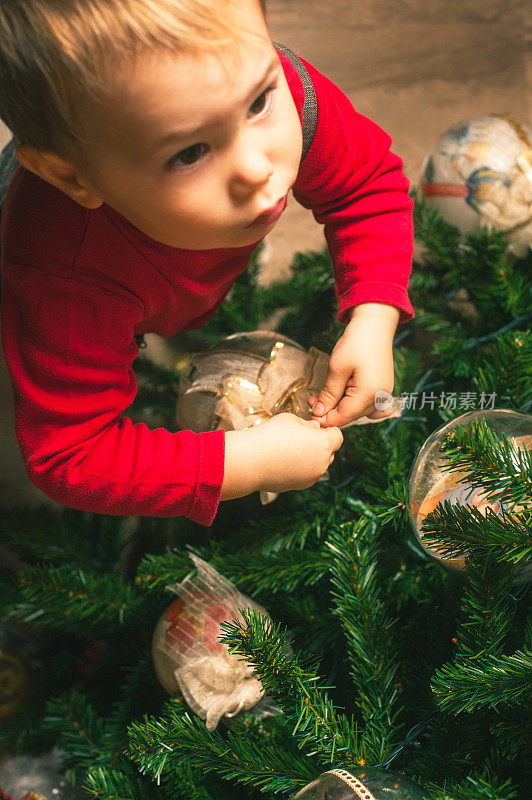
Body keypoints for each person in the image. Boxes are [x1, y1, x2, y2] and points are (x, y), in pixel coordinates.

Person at [0, 0, 413, 525]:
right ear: (75, 178)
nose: (257, 168)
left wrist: (375, 315)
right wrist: (245, 463)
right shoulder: (64, 276)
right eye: (189, 153)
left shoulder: (279, 87)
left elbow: (366, 184)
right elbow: (69, 453)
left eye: (259, 103)